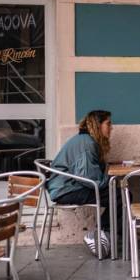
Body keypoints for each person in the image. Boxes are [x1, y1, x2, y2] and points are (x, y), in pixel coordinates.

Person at [47, 110, 116, 257]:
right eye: (108, 124)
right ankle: (98, 234)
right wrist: (109, 178)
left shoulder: (86, 141)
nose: (111, 128)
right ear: (98, 125)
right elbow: (90, 179)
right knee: (120, 195)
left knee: (119, 193)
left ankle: (101, 234)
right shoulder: (86, 144)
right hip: (66, 190)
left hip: (66, 186)